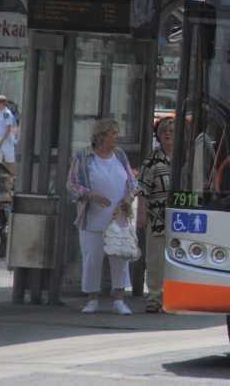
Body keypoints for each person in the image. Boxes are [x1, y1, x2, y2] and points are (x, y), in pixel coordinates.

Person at [66, 119, 137, 315]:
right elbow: (72, 183)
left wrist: (129, 197)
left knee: (120, 258)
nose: (117, 137)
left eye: (117, 133)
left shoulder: (120, 156)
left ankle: (119, 300)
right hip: (91, 220)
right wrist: (90, 194)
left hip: (118, 219)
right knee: (92, 259)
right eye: (113, 133)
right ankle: (92, 299)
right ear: (101, 135)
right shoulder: (84, 156)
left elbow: (133, 183)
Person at [137, 116, 173, 313]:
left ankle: (172, 298)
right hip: (156, 216)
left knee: (175, 259)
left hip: (180, 219)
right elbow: (142, 189)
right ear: (158, 136)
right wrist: (141, 213)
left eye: (172, 131)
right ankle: (154, 298)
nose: (168, 134)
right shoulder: (152, 160)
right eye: (164, 131)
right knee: (155, 259)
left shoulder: (186, 158)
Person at [0, 96, 17, 197]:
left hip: (6, 141)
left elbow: (8, 129)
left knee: (10, 160)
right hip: (0, 139)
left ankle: (13, 178)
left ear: (1, 103)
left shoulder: (6, 113)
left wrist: (1, 141)